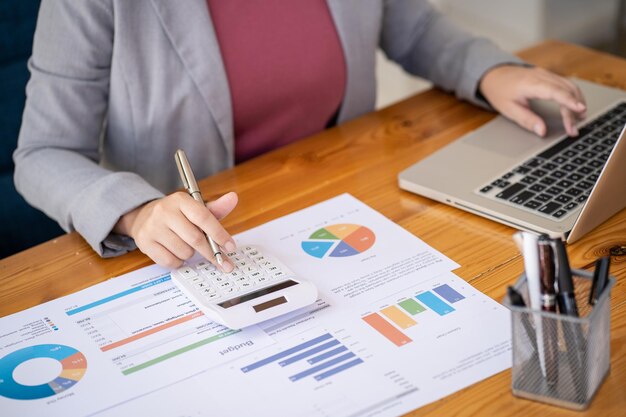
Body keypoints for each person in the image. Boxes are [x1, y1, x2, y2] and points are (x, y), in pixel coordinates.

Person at [14, 0, 586, 272]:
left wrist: (487, 70)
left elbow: (409, 25)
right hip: (201, 251)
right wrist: (135, 213)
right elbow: (43, 153)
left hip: (343, 212)